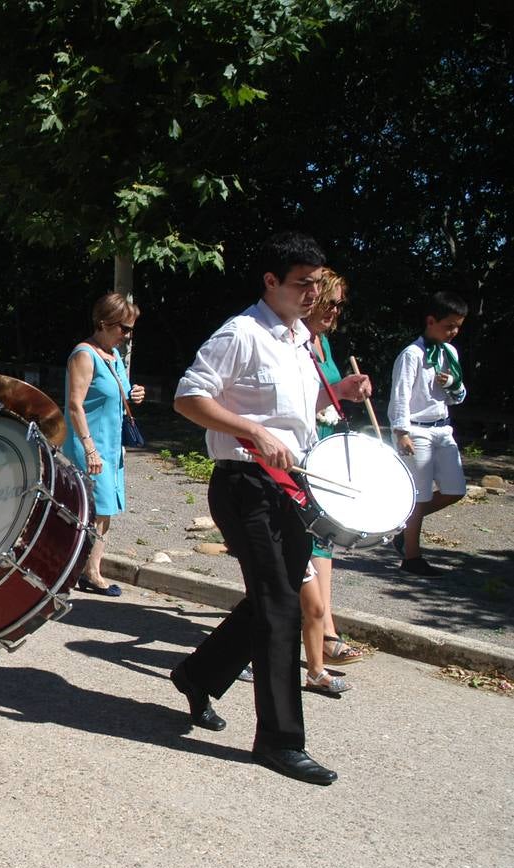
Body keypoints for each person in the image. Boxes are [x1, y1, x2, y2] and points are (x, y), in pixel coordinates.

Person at [169, 231, 373, 786]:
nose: (312, 294)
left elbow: (286, 403)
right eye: (302, 284)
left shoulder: (300, 341)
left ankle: (196, 673)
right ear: (271, 282)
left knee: (270, 599)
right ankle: (280, 741)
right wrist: (252, 431)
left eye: (315, 284)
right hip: (243, 484)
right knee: (282, 605)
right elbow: (188, 397)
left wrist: (343, 391)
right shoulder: (240, 334)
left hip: (291, 486)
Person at [299, 270, 363, 692]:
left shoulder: (323, 342)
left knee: (322, 540)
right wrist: (339, 389)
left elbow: (330, 395)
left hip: (324, 445)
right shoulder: (292, 342)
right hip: (298, 450)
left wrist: (350, 390)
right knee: (302, 542)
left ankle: (325, 630)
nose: (335, 312)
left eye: (340, 304)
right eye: (331, 303)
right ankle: (317, 636)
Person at [62, 292, 146, 595]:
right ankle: (89, 573)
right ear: (103, 322)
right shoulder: (84, 355)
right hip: (91, 446)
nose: (127, 335)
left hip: (111, 447)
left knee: (104, 511)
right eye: (123, 328)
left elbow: (119, 394)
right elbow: (75, 405)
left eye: (130, 329)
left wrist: (134, 394)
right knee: (93, 510)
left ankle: (87, 569)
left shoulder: (113, 357)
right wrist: (89, 448)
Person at [387, 291, 469, 578]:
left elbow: (458, 397)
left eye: (458, 326)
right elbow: (400, 396)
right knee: (419, 495)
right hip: (417, 430)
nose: (454, 332)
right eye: (449, 326)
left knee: (455, 490)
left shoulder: (451, 353)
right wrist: (401, 432)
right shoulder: (412, 354)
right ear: (431, 321)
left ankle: (404, 531)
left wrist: (451, 384)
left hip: (442, 428)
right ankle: (412, 556)